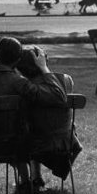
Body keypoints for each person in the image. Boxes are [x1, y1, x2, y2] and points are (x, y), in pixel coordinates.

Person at [0, 37, 67, 193]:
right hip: (14, 146)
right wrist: (44, 68)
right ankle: (25, 181)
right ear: (17, 60)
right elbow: (58, 97)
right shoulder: (20, 83)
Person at [16, 46, 82, 184]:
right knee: (39, 125)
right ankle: (36, 176)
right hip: (67, 143)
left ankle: (26, 182)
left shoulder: (25, 88)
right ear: (43, 61)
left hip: (39, 146)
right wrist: (44, 68)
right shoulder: (66, 80)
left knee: (23, 130)